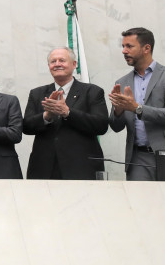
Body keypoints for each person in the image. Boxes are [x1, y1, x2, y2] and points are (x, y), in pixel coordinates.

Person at [108, 27, 165, 180]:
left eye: (129, 46)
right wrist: (118, 111)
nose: (124, 51)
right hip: (138, 158)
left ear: (146, 48)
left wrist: (136, 108)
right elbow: (115, 126)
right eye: (123, 46)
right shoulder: (121, 82)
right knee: (140, 202)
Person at [23, 47, 108, 180]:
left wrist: (67, 112)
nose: (57, 64)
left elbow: (101, 125)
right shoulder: (37, 93)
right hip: (44, 167)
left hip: (81, 166)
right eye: (53, 61)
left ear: (74, 64)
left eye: (62, 60)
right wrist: (46, 116)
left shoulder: (92, 91)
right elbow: (26, 126)